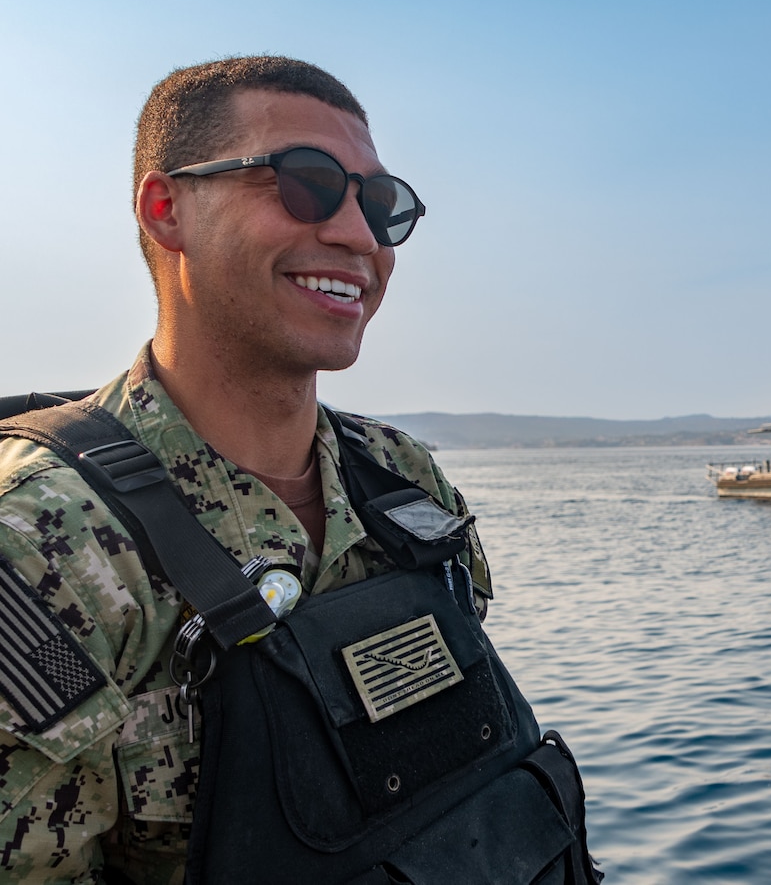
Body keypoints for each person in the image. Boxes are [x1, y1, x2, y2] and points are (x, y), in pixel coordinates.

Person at [0, 57, 593, 883]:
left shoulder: (401, 478)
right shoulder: (42, 547)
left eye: (380, 204)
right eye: (304, 183)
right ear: (166, 210)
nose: (359, 235)